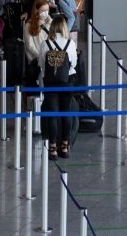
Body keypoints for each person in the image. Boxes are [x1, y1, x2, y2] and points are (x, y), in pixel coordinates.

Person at [38, 13, 78, 160]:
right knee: (66, 112)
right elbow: (73, 64)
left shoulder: (45, 44)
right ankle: (65, 146)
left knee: (52, 114)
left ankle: (53, 148)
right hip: (67, 81)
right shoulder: (70, 43)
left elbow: (42, 65)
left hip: (50, 83)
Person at [23, 0, 52, 85]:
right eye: (43, 10)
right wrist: (41, 56)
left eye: (47, 10)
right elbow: (29, 46)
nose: (45, 13)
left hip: (49, 60)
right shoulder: (29, 25)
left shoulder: (50, 23)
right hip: (35, 60)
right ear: (37, 10)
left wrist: (50, 21)